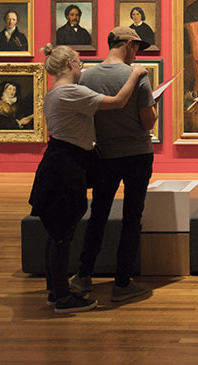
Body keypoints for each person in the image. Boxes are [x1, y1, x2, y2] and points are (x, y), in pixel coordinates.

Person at [28, 43, 146, 313]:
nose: (82, 66)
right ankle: (62, 298)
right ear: (69, 64)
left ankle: (55, 291)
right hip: (65, 166)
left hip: (59, 161)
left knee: (57, 232)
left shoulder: (56, 91)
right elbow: (118, 102)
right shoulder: (70, 91)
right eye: (79, 62)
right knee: (61, 235)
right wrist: (136, 73)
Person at [69, 27, 157, 303]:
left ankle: (83, 275)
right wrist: (154, 106)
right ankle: (122, 283)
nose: (138, 53)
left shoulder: (86, 76)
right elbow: (148, 122)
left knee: (98, 214)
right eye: (137, 48)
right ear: (129, 44)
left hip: (104, 154)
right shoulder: (137, 76)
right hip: (137, 154)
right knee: (132, 217)